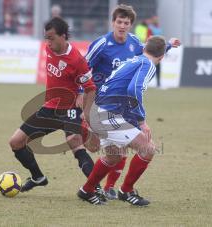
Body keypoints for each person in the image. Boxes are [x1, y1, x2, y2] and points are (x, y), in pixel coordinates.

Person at [82, 4, 181, 200]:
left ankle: (89, 190)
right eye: (119, 21)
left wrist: (167, 45)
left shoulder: (136, 49)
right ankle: (125, 191)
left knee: (115, 154)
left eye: (126, 23)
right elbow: (132, 88)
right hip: (107, 107)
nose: (122, 25)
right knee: (147, 148)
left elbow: (152, 49)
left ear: (130, 25)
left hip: (110, 107)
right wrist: (142, 121)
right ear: (113, 22)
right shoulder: (103, 44)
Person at [9, 17, 99, 193]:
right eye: (46, 38)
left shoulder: (76, 60)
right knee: (16, 142)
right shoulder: (49, 49)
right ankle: (38, 178)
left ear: (63, 36)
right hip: (49, 109)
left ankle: (96, 188)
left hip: (70, 111)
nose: (47, 42)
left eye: (51, 38)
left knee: (76, 144)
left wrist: (86, 113)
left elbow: (91, 88)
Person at [148, 16, 163, 87]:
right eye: (155, 19)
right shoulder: (150, 28)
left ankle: (158, 83)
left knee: (158, 67)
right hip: (152, 49)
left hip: (158, 49)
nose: (156, 20)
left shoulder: (159, 28)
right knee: (149, 66)